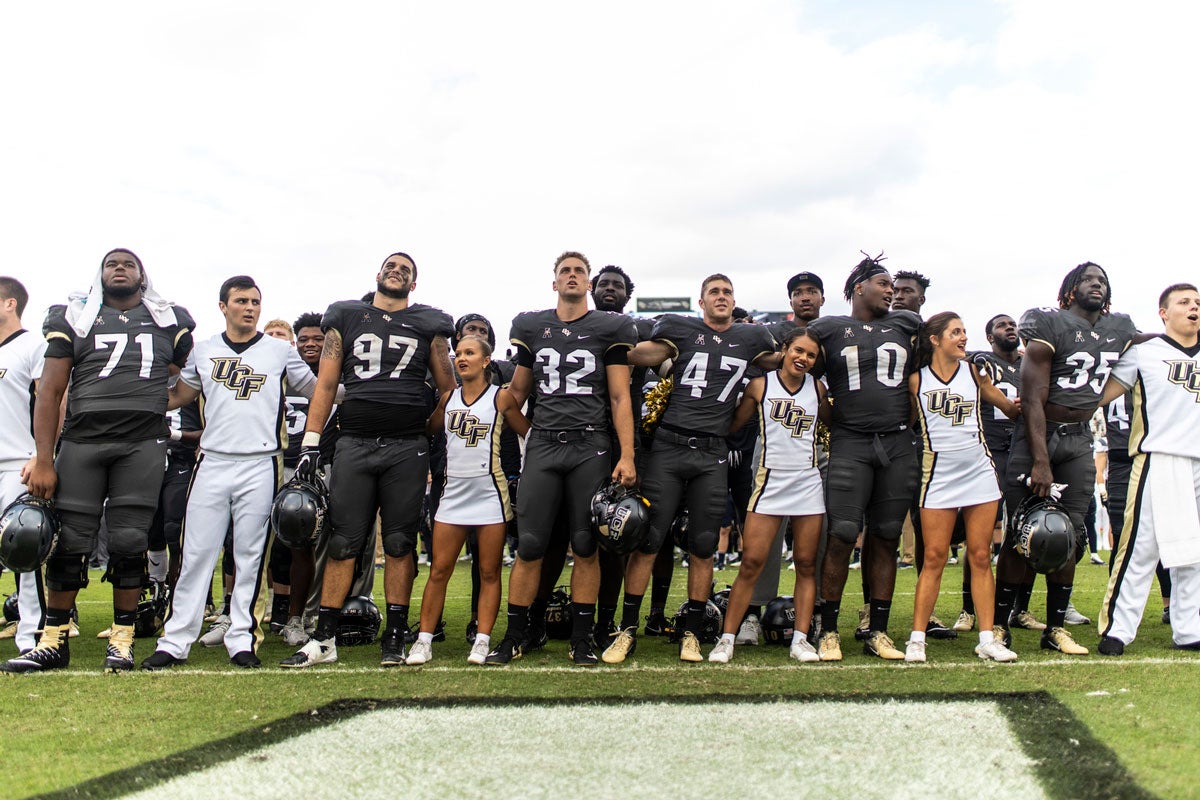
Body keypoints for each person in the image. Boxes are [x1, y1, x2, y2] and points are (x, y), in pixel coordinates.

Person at [2, 249, 194, 673]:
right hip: (84, 441)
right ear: (100, 275)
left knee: (128, 541)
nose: (119, 268)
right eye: (111, 263)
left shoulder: (171, 322)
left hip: (141, 442)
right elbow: (49, 393)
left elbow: (190, 379)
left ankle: (122, 640)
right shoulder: (73, 317)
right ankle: (52, 641)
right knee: (69, 541)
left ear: (143, 275)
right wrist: (44, 458)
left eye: (128, 263)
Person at [282, 252, 455, 668]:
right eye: (391, 266)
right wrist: (309, 443)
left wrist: (426, 428)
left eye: (406, 270)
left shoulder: (430, 323)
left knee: (398, 542)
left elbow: (449, 388)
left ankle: (394, 635)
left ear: (413, 284)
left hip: (406, 447)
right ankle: (324, 638)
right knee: (343, 540)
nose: (397, 271)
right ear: (378, 274)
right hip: (354, 443)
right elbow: (325, 384)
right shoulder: (345, 315)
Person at [141, 277, 322, 670]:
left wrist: (358, 390)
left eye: (256, 301)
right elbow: (178, 395)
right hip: (212, 460)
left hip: (262, 462)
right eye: (241, 301)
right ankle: (175, 640)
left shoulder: (279, 351)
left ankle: (242, 637)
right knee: (195, 553)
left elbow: (318, 390)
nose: (250, 307)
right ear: (223, 306)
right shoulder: (204, 351)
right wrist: (134, 394)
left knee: (251, 556)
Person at [605, 273, 776, 663]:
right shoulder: (680, 330)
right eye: (713, 292)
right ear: (701, 303)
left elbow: (782, 361)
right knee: (648, 541)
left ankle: (693, 633)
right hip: (669, 445)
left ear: (734, 301)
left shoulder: (751, 338)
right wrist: (616, 347)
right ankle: (626, 630)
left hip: (711, 452)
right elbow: (639, 353)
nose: (721, 297)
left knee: (703, 547)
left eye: (727, 292)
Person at [484, 251, 638, 666]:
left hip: (591, 444)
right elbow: (514, 395)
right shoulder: (533, 326)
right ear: (554, 283)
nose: (572, 276)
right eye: (565, 271)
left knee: (586, 545)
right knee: (531, 545)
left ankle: (582, 639)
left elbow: (621, 396)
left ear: (588, 283)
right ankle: (515, 635)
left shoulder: (611, 327)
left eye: (579, 271)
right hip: (546, 444)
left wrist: (627, 454)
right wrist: (522, 423)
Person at [993, 262, 1136, 655]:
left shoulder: (1119, 328)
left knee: (1070, 535)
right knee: (1023, 531)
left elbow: (1154, 344)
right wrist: (1040, 460)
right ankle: (1000, 625)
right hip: (1039, 435)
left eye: (1103, 280)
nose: (1097, 285)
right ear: (1070, 290)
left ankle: (1055, 628)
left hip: (1079, 439)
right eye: (1089, 279)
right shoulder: (1047, 323)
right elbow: (1033, 397)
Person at [528, 265, 653, 650]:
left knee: (613, 534)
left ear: (628, 294)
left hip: (616, 440)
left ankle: (604, 621)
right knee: (550, 537)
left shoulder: (634, 330)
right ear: (590, 288)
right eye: (604, 283)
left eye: (618, 284)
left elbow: (653, 369)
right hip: (562, 439)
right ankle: (535, 618)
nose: (610, 288)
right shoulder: (558, 326)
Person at [806, 254, 921, 661]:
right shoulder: (830, 328)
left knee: (887, 536)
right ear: (859, 287)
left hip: (896, 441)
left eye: (893, 286)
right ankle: (829, 628)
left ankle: (878, 629)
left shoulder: (906, 324)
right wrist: (821, 400)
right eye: (883, 284)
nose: (892, 291)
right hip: (851, 440)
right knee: (841, 535)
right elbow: (797, 363)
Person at [406, 335, 529, 665]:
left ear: (486, 360)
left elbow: (527, 434)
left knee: (489, 572)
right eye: (458, 353)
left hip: (489, 492)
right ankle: (423, 640)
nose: (461, 358)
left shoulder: (501, 398)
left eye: (469, 353)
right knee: (439, 570)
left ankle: (482, 639)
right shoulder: (447, 398)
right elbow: (429, 429)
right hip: (453, 494)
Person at [904, 312, 1020, 663]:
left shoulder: (974, 372)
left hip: (978, 472)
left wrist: (1031, 400)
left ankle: (987, 638)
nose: (964, 337)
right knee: (935, 558)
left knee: (981, 555)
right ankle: (917, 639)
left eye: (965, 332)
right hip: (937, 474)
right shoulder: (914, 382)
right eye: (956, 332)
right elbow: (905, 423)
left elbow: (1008, 408)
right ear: (935, 339)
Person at [709, 327, 828, 663]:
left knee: (805, 564)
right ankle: (727, 638)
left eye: (810, 356)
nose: (803, 359)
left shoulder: (817, 388)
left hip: (807, 483)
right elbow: (734, 426)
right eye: (798, 351)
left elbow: (832, 422)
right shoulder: (760, 385)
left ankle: (801, 640)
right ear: (784, 349)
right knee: (751, 563)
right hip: (770, 483)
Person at [1097, 283, 1200, 653]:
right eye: (1184, 302)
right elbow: (1101, 394)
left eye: (1198, 302)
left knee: (1196, 551)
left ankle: (1189, 629)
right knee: (1140, 547)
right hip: (1160, 458)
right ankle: (1117, 629)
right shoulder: (1143, 353)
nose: (1194, 307)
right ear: (1164, 312)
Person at [954, 314, 1029, 631]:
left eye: (1012, 324)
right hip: (992, 450)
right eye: (1001, 325)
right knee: (980, 535)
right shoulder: (981, 361)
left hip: (1023, 450)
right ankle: (968, 609)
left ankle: (1020, 609)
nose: (1009, 328)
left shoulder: (1030, 364)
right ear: (989, 337)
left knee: (1027, 531)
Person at [0, 277, 49, 657]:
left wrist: (41, 455)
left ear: (9, 304)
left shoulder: (35, 345)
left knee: (24, 552)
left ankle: (30, 635)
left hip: (17, 464)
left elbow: (50, 400)